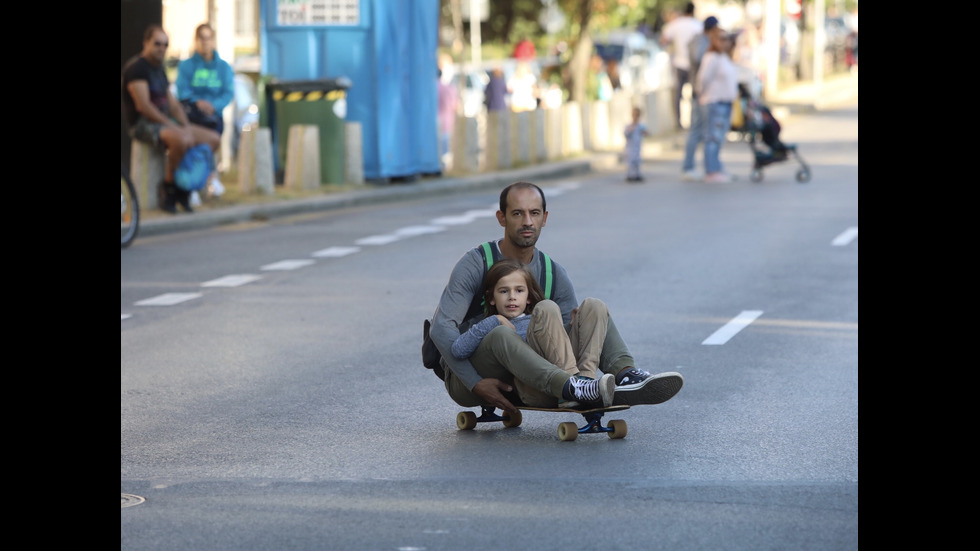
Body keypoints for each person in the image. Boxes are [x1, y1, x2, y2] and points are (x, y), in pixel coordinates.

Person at [428, 181, 685, 416]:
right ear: (501, 218)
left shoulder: (553, 272)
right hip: (471, 374)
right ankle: (573, 386)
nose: (527, 221)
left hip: (530, 376)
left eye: (534, 213)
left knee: (592, 308)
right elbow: (441, 330)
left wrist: (577, 327)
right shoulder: (477, 262)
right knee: (500, 333)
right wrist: (474, 383)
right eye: (518, 213)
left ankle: (625, 375)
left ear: (545, 218)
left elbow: (564, 340)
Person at [451, 259, 607, 408]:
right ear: (491, 298)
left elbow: (557, 345)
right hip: (535, 387)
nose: (512, 296)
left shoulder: (540, 319)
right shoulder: (489, 326)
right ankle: (570, 385)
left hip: (562, 368)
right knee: (547, 306)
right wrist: (494, 320)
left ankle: (586, 380)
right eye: (504, 291)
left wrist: (578, 323)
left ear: (528, 297)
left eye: (519, 290)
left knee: (594, 305)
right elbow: (458, 350)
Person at [123, 24, 220, 214]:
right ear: (146, 43)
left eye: (165, 45)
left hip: (166, 122)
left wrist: (185, 125)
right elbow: (144, 107)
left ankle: (186, 184)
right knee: (182, 139)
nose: (161, 48)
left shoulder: (159, 69)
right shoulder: (137, 69)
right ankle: (169, 188)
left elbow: (173, 104)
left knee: (212, 139)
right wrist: (174, 128)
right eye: (157, 43)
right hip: (143, 124)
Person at [176, 22, 234, 198]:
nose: (205, 42)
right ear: (196, 40)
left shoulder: (224, 67)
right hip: (193, 116)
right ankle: (199, 181)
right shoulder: (186, 66)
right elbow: (182, 91)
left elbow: (228, 92)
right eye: (202, 38)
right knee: (199, 143)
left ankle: (201, 180)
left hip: (214, 118)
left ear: (214, 40)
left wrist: (213, 106)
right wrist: (197, 102)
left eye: (208, 38)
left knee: (208, 142)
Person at [696, 24, 739, 183]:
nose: (725, 42)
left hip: (725, 102)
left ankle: (717, 167)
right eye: (721, 39)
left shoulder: (724, 57)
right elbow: (703, 80)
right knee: (712, 137)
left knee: (719, 138)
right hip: (714, 102)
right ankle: (711, 171)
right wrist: (702, 96)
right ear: (714, 41)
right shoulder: (712, 58)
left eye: (727, 39)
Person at [680, 15, 715, 182]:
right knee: (696, 130)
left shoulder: (702, 41)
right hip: (699, 91)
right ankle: (688, 167)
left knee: (702, 131)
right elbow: (699, 58)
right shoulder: (700, 41)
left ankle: (698, 166)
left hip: (703, 91)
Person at [660, 2, 703, 131]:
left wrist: (672, 48)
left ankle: (678, 123)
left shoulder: (675, 25)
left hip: (679, 63)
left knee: (678, 95)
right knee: (695, 94)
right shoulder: (697, 25)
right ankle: (694, 121)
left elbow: (663, 40)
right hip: (693, 64)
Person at [436, 69, 458, 167]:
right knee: (445, 146)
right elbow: (455, 105)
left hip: (433, 122)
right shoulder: (449, 88)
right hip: (447, 120)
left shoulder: (429, 89)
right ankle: (445, 166)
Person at [623, 106, 650, 182]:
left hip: (638, 147)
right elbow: (625, 134)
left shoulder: (641, 125)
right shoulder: (628, 125)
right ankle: (629, 175)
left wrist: (645, 132)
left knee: (637, 161)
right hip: (630, 147)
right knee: (630, 162)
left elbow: (647, 133)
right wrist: (630, 129)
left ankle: (637, 175)